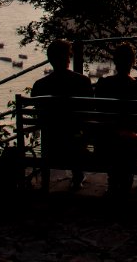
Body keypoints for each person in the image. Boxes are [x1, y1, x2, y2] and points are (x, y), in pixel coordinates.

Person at [94, 42, 137, 193]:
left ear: (115, 62)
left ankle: (115, 180)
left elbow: (99, 115)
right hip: (130, 145)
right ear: (133, 62)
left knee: (116, 136)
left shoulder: (103, 84)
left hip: (104, 145)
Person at [30, 39, 94, 191]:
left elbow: (38, 114)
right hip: (75, 145)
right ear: (68, 57)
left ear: (50, 59)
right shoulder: (83, 82)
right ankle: (77, 175)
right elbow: (90, 113)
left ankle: (46, 181)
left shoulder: (39, 86)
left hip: (50, 145)